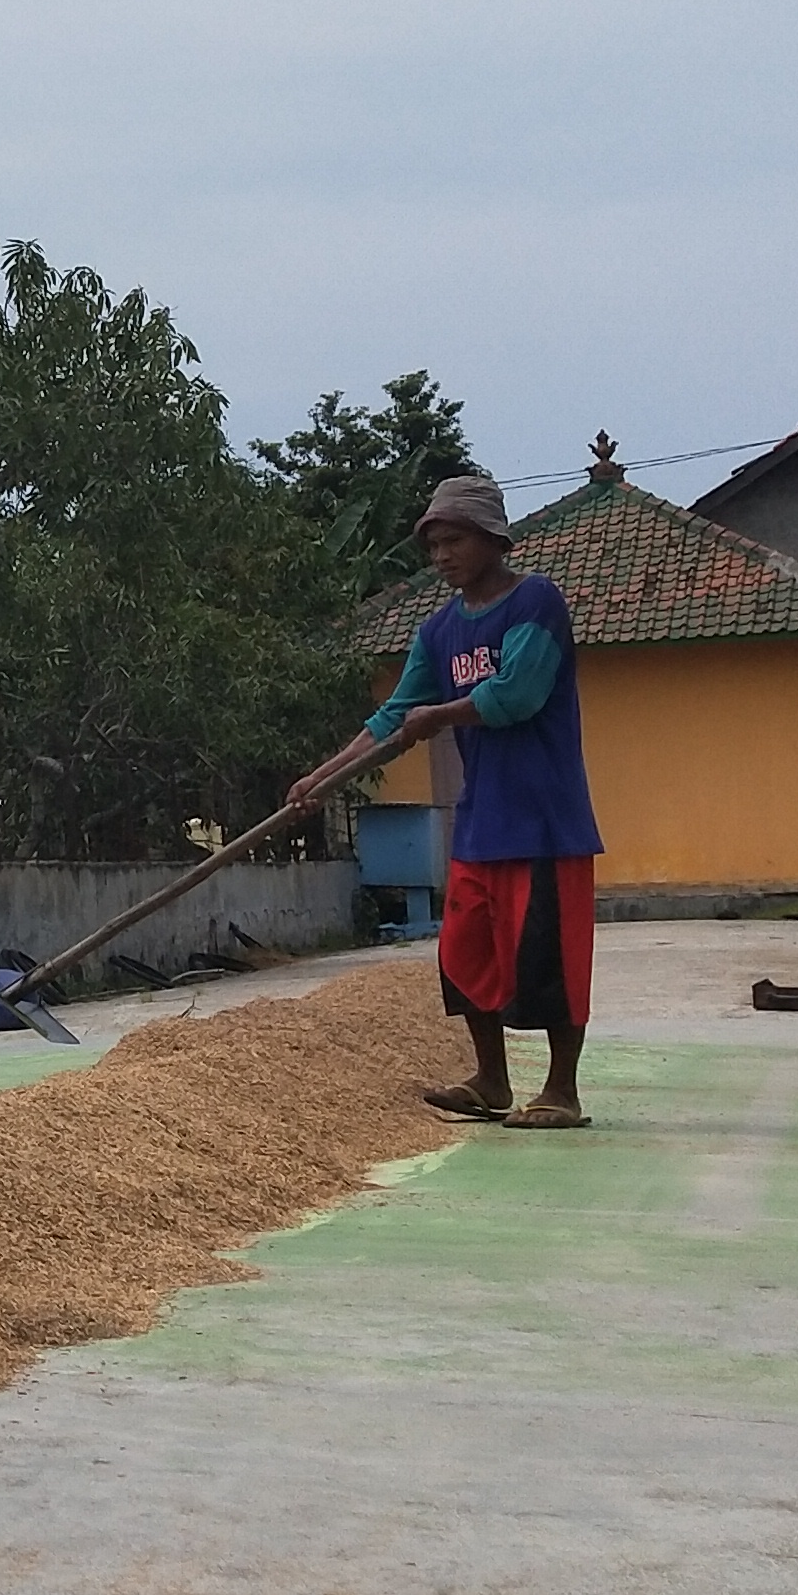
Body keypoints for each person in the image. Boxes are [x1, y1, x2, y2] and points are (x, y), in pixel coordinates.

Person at [280, 469, 601, 1129]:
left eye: (454, 541)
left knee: (547, 960)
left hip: (544, 821)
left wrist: (440, 717)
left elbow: (515, 695)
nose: (442, 557)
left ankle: (561, 1091)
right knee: (465, 954)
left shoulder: (535, 602)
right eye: (433, 547)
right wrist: (322, 777)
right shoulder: (438, 631)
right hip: (481, 823)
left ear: (491, 538)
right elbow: (394, 718)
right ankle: (490, 1080)